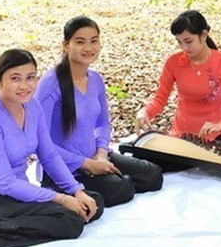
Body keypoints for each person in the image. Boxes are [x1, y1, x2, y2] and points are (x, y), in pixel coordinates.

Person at [0, 49, 103, 247]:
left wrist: (76, 190)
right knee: (70, 221)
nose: (25, 86)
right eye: (15, 79)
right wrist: (61, 199)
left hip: (21, 186)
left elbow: (49, 154)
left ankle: (28, 220)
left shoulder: (32, 105)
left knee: (92, 201)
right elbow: (4, 183)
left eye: (30, 78)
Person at [35, 16, 163, 207]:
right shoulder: (51, 82)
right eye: (80, 42)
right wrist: (86, 164)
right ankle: (78, 190)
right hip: (64, 167)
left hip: (96, 156)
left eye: (94, 41)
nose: (88, 48)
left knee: (152, 175)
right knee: (122, 189)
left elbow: (103, 122)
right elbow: (40, 141)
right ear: (66, 45)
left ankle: (105, 181)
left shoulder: (95, 79)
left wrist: (101, 154)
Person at [135, 10, 221, 150]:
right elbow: (160, 99)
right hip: (182, 137)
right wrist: (145, 111)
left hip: (215, 137)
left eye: (188, 41)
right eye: (179, 42)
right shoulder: (174, 63)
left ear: (203, 35)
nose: (184, 47)